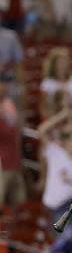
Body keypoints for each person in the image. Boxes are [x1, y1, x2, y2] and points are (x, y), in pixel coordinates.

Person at [0, 71, 25, 210]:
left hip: (14, 161)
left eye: (5, 83)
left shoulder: (9, 103)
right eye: (1, 83)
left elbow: (16, 129)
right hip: (1, 164)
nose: (4, 87)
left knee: (20, 205)